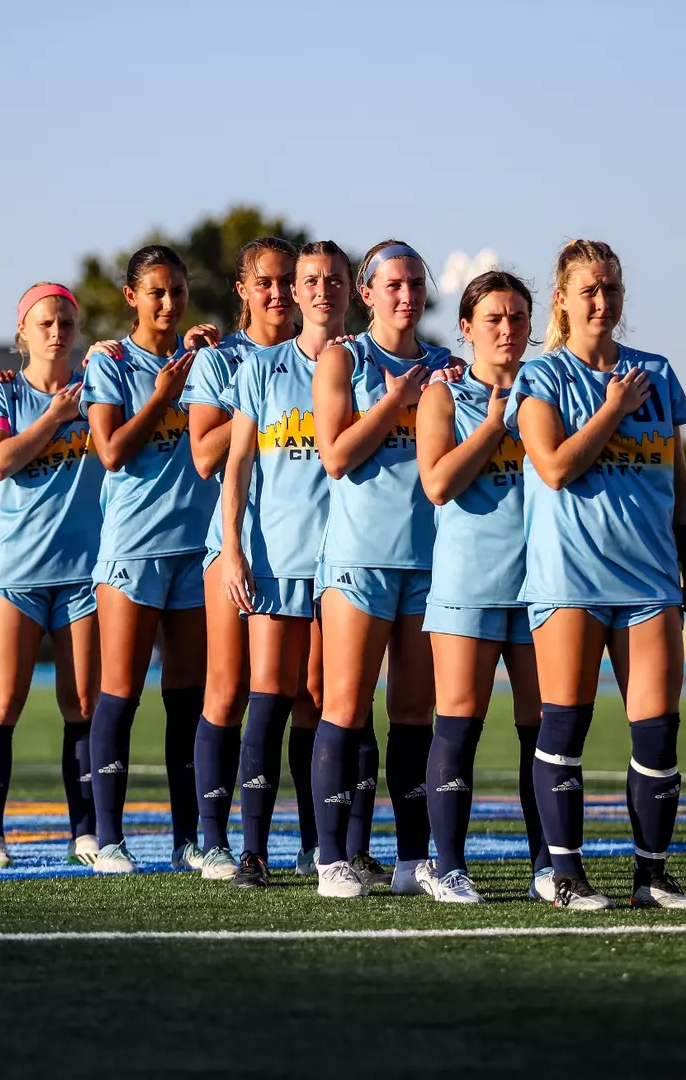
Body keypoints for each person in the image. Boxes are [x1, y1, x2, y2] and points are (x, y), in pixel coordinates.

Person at [513, 239, 686, 911]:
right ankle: (563, 874)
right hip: (570, 579)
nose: (602, 301)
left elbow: (677, 474)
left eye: (612, 290)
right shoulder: (542, 377)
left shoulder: (655, 372)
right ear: (563, 301)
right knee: (564, 728)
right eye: (589, 291)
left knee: (658, 729)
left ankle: (651, 875)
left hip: (649, 581)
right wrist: (611, 408)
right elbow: (554, 466)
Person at [308, 240, 453, 898]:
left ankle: (409, 860)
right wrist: (395, 401)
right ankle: (332, 858)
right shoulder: (343, 357)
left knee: (415, 714)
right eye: (393, 284)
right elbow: (335, 456)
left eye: (416, 283)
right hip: (360, 558)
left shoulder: (448, 367)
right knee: (344, 707)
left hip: (430, 563)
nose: (407, 294)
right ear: (367, 293)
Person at [210, 240, 347, 887]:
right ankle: (254, 851)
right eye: (306, 281)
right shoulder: (261, 369)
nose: (317, 290)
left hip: (345, 562)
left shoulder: (361, 366)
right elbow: (234, 465)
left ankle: (328, 847)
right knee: (268, 696)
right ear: (295, 293)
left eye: (329, 280)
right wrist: (234, 548)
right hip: (275, 559)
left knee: (327, 700)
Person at [81, 245, 211, 875]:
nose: (169, 302)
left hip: (196, 550)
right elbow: (109, 451)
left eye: (178, 290)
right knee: (121, 694)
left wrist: (210, 355)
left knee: (187, 701)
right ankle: (109, 838)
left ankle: (189, 839)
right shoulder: (111, 364)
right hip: (133, 549)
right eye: (156, 291)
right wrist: (162, 397)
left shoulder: (203, 359)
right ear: (131, 296)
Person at [416, 270, 546, 904]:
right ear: (465, 329)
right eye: (492, 318)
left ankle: (549, 867)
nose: (506, 329)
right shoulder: (445, 397)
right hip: (467, 583)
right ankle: (448, 867)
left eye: (518, 317)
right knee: (458, 725)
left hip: (545, 585)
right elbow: (437, 483)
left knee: (543, 729)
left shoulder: (549, 390)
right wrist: (493, 427)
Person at [0, 284, 106, 867]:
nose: (57, 332)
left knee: (82, 702)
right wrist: (54, 416)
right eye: (45, 323)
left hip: (83, 574)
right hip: (15, 570)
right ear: (22, 332)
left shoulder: (99, 388)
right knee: (2, 702)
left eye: (67, 322)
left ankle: (85, 832)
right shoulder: (0, 392)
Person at [183, 237, 299, 883]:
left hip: (307, 548)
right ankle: (214, 840)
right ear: (243, 290)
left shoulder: (326, 356)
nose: (279, 293)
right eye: (265, 282)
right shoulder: (222, 358)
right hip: (235, 544)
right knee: (226, 691)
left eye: (288, 281)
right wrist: (265, 400)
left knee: (302, 696)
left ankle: (316, 840)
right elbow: (204, 456)